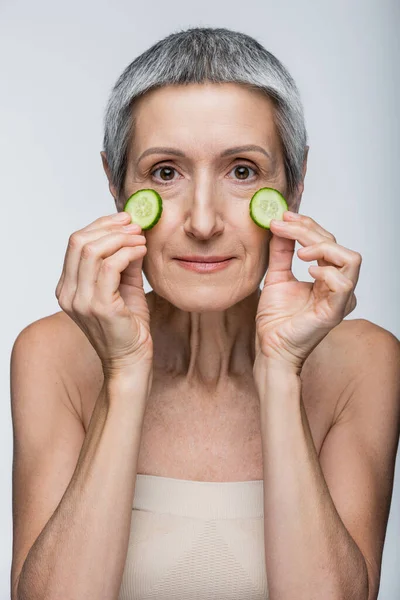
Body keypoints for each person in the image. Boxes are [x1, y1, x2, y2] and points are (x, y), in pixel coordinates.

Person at [10, 26, 400, 600]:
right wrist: (123, 372)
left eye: (242, 171)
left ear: (292, 187)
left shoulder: (363, 362)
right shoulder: (52, 355)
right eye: (165, 172)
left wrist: (281, 369)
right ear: (117, 188)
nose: (202, 222)